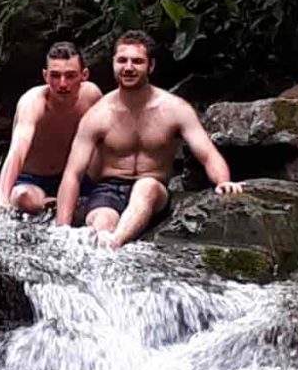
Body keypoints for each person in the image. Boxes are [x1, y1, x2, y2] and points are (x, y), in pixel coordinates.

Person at [56, 30, 243, 248]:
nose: (128, 67)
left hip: (153, 189)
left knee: (146, 187)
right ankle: (103, 244)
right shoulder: (98, 115)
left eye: (137, 61)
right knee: (103, 221)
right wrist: (61, 230)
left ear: (151, 66)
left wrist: (223, 181)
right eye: (122, 60)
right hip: (107, 190)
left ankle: (115, 243)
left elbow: (208, 154)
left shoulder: (174, 108)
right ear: (114, 63)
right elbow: (72, 174)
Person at [0, 41, 102, 212]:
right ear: (45, 76)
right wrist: (2, 197)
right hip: (32, 181)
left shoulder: (92, 96)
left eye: (70, 76)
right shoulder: (33, 102)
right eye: (55, 76)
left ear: (84, 75)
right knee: (23, 198)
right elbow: (17, 150)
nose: (63, 84)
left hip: (73, 178)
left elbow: (107, 140)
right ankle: (52, 204)